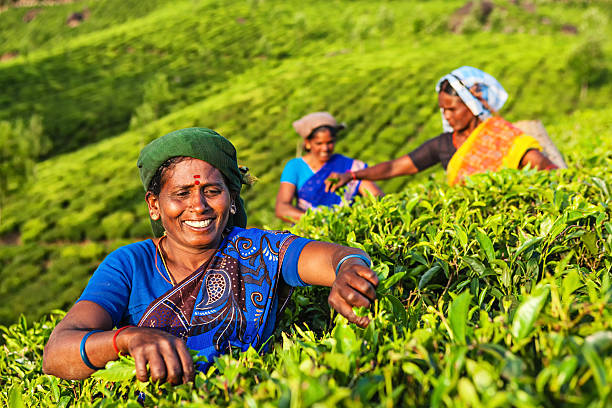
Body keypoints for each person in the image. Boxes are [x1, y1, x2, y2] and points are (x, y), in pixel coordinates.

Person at [42, 128, 379, 385]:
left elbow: (337, 257)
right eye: (181, 193)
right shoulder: (129, 264)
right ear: (154, 205)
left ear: (232, 199)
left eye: (212, 191)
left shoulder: (259, 249)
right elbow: (58, 352)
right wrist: (127, 339)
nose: (198, 206)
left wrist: (348, 271)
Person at [325, 66, 557, 192]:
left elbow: (540, 164)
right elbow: (396, 166)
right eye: (442, 109)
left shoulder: (501, 136)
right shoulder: (443, 144)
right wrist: (352, 175)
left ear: (472, 105)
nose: (446, 115)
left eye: (452, 109)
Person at [276, 112, 382, 223]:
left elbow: (377, 198)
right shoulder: (295, 167)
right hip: (309, 234)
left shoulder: (351, 167)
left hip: (345, 229)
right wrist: (320, 221)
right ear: (307, 143)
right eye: (319, 143)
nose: (325, 148)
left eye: (330, 142)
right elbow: (282, 208)